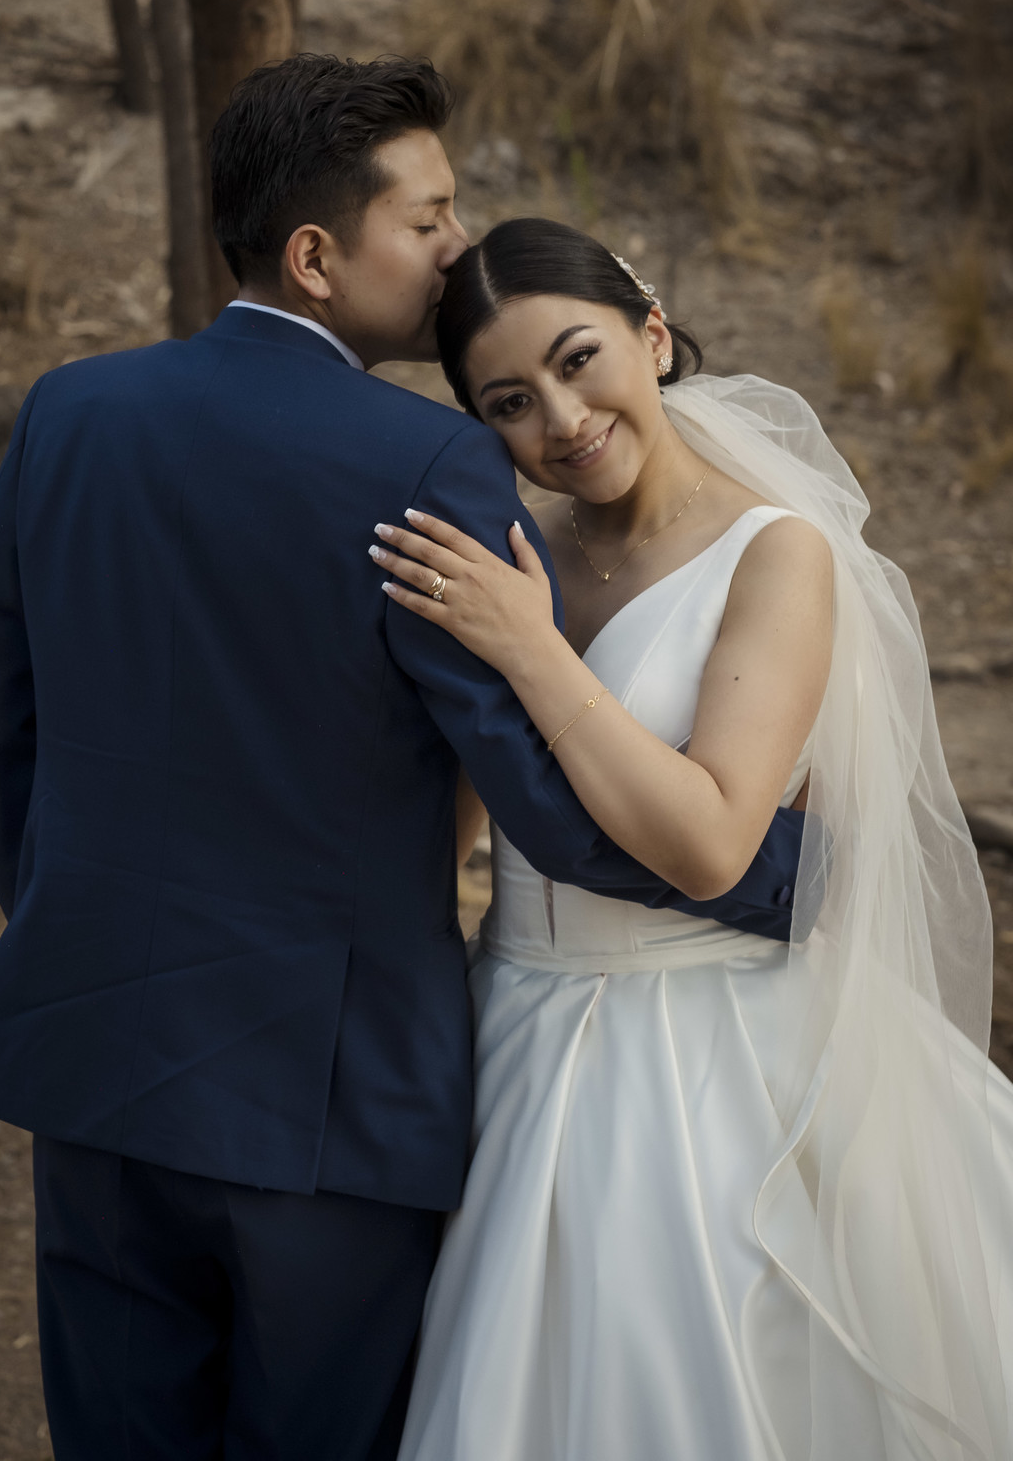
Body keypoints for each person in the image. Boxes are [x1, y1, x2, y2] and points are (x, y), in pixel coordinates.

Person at [0, 61, 804, 1461]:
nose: (458, 249)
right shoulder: (425, 465)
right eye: (430, 218)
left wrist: (88, 941)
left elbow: (6, 747)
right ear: (316, 256)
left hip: (94, 1065)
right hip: (327, 1105)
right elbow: (534, 789)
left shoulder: (69, 412)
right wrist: (780, 873)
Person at [368, 217, 1013, 1461]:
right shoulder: (524, 559)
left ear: (651, 337)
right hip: (512, 1021)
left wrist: (530, 650)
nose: (559, 418)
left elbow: (716, 841)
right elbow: (460, 814)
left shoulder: (776, 554)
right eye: (509, 400)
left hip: (706, 1037)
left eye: (578, 360)